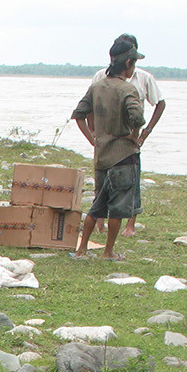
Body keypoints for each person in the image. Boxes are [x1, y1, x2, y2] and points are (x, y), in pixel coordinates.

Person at [71, 39, 146, 261]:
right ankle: (108, 251)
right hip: (124, 156)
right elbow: (138, 117)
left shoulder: (96, 87)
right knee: (118, 207)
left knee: (97, 205)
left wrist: (93, 139)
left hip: (102, 155)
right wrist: (133, 135)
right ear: (129, 63)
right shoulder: (127, 89)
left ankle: (82, 248)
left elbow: (79, 114)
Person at [89, 35, 165, 242]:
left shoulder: (143, 78)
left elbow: (158, 104)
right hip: (106, 141)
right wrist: (93, 133)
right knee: (102, 182)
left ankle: (129, 223)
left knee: (129, 183)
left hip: (128, 143)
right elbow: (88, 106)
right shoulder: (100, 78)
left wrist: (143, 132)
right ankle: (100, 223)